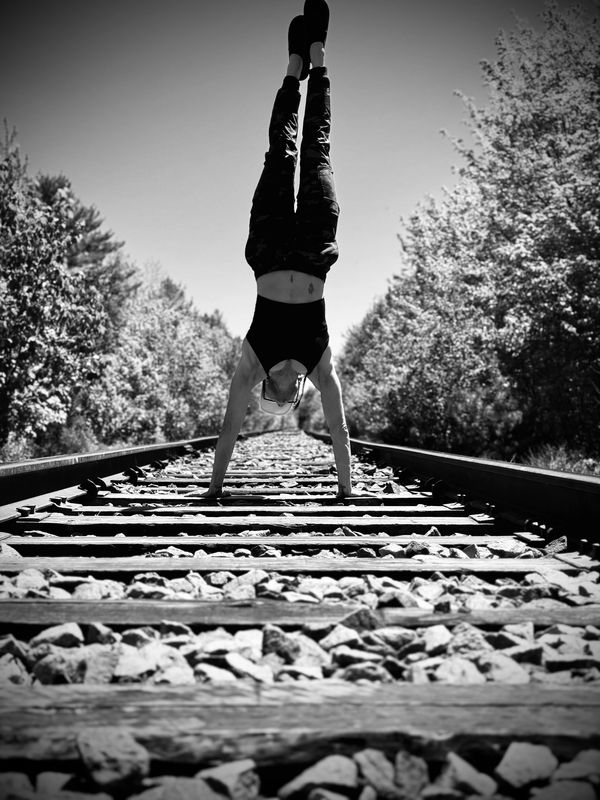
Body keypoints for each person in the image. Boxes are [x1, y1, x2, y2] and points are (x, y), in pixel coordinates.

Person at [206, 0, 352, 499]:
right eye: (284, 400)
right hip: (313, 250)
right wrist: (347, 492)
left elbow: (228, 429)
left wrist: (214, 488)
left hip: (267, 250)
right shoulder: (319, 364)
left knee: (280, 152)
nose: (281, 396)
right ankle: (319, 56)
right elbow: (338, 429)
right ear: (295, 394)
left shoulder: (252, 360)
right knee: (316, 150)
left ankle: (294, 68)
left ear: (269, 391)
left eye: (275, 398)